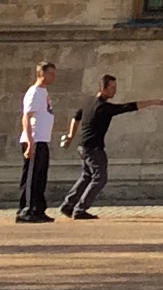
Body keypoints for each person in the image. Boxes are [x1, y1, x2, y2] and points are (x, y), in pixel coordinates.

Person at [61, 74, 146, 220]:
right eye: (112, 88)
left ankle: (68, 205)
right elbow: (127, 107)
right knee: (99, 178)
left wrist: (70, 135)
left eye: (115, 87)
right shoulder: (103, 107)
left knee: (86, 176)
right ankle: (80, 209)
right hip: (94, 149)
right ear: (103, 88)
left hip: (83, 147)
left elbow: (76, 117)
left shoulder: (89, 102)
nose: (114, 91)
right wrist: (154, 102)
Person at [16, 60, 58, 223]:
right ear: (41, 74)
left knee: (41, 177)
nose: (53, 77)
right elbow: (27, 117)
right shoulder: (34, 92)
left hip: (43, 140)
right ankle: (25, 209)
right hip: (34, 139)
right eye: (50, 73)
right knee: (31, 177)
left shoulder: (43, 92)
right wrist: (30, 142)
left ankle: (38, 209)